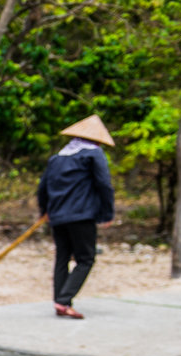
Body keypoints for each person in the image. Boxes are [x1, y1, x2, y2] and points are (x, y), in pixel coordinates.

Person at [37, 114, 116, 320]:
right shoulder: (93, 155)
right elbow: (104, 185)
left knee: (62, 258)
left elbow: (43, 187)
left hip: (57, 215)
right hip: (81, 215)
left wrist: (44, 211)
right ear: (97, 139)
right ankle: (64, 300)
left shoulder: (57, 158)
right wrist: (107, 213)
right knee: (86, 258)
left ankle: (59, 301)